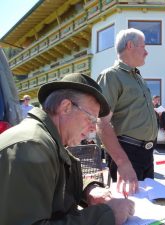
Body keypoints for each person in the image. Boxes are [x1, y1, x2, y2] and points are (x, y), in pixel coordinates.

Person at [0, 73, 134, 225]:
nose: (92, 128)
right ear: (66, 107)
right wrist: (106, 214)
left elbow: (56, 183)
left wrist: (89, 191)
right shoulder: (30, 146)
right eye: (91, 118)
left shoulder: (48, 141)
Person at [97, 28, 158, 194]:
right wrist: (123, 163)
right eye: (143, 46)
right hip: (127, 153)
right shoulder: (111, 76)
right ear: (130, 45)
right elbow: (102, 123)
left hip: (146, 154)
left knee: (149, 208)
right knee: (131, 211)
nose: (146, 52)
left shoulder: (137, 77)